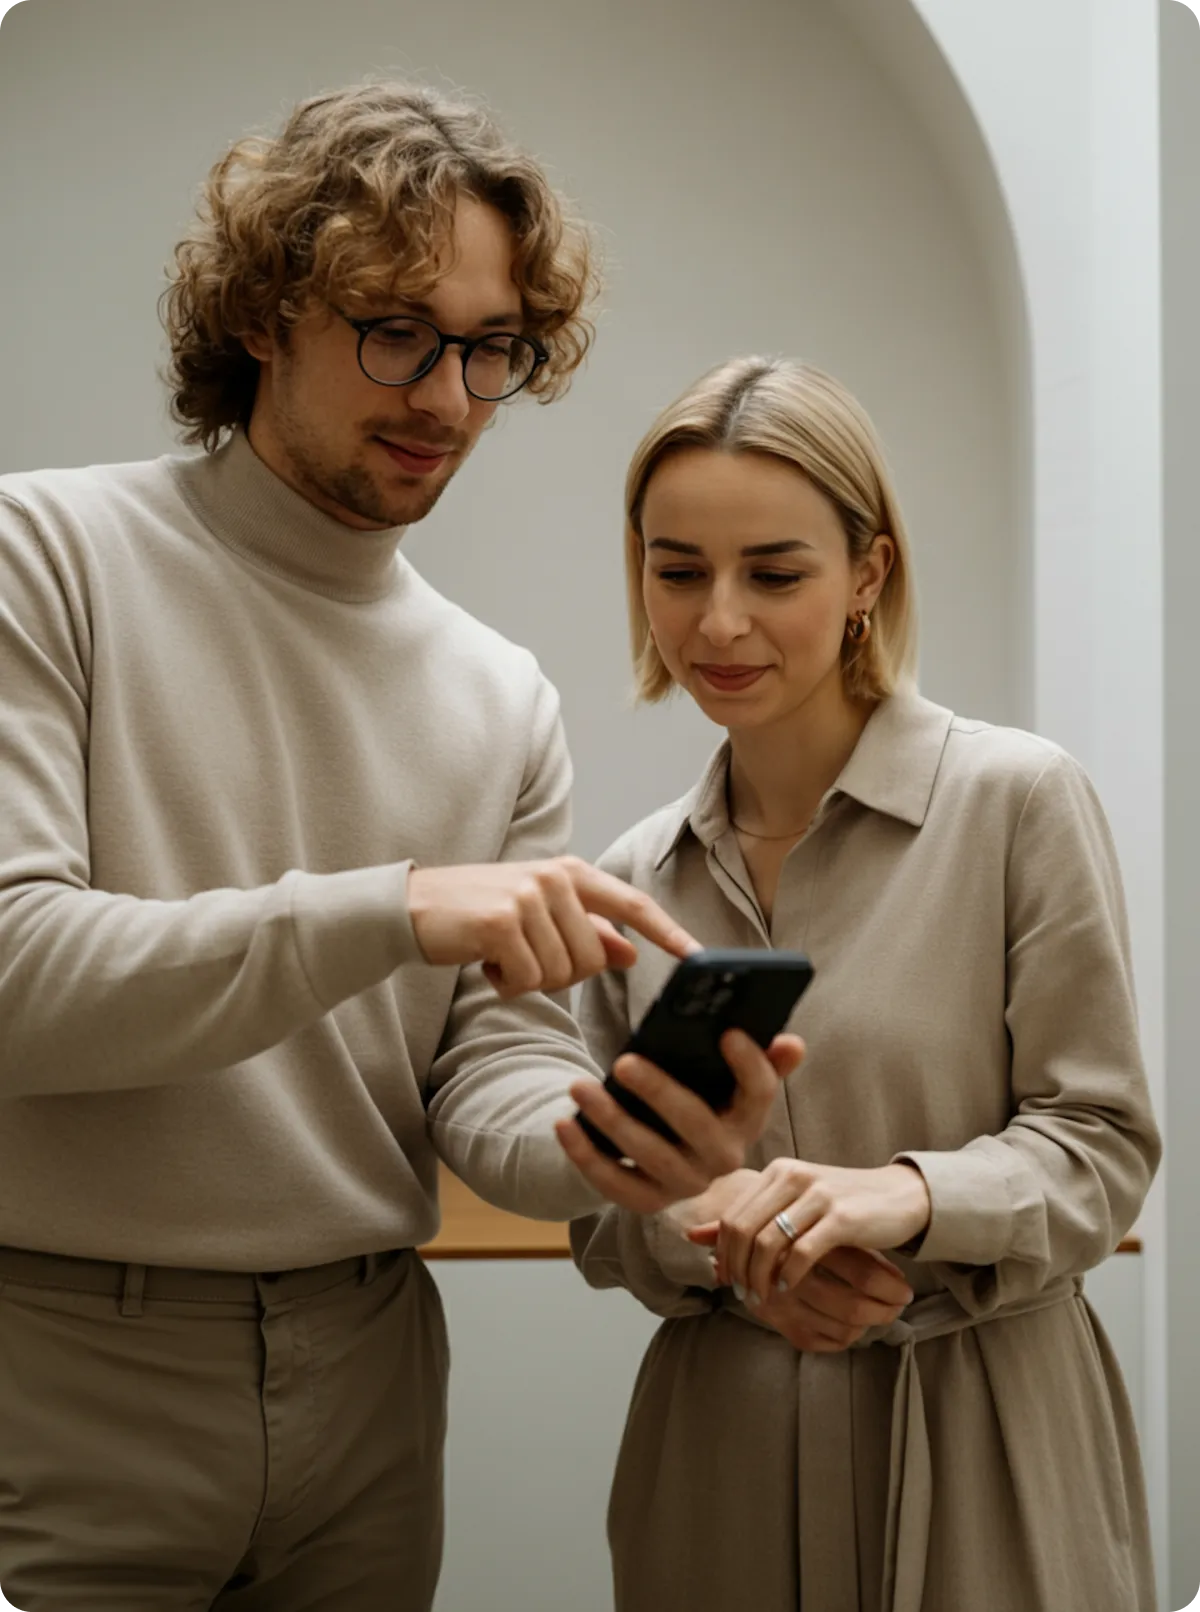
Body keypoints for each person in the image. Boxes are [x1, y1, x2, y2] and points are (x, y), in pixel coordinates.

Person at [0, 87, 800, 1612]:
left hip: (369, 1370)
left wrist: (605, 1153)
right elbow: (16, 976)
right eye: (393, 328)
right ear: (260, 310)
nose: (445, 392)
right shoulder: (42, 559)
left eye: (489, 347)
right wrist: (397, 906)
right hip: (59, 1361)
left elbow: (478, 1084)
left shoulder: (499, 695)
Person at [566, 356, 1161, 1612]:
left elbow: (1102, 1144)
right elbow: (603, 1219)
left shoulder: (1016, 802)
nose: (718, 622)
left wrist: (906, 1196)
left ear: (868, 576)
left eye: (773, 573)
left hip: (990, 1436)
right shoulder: (633, 882)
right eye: (677, 571)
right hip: (718, 1459)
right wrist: (726, 1238)